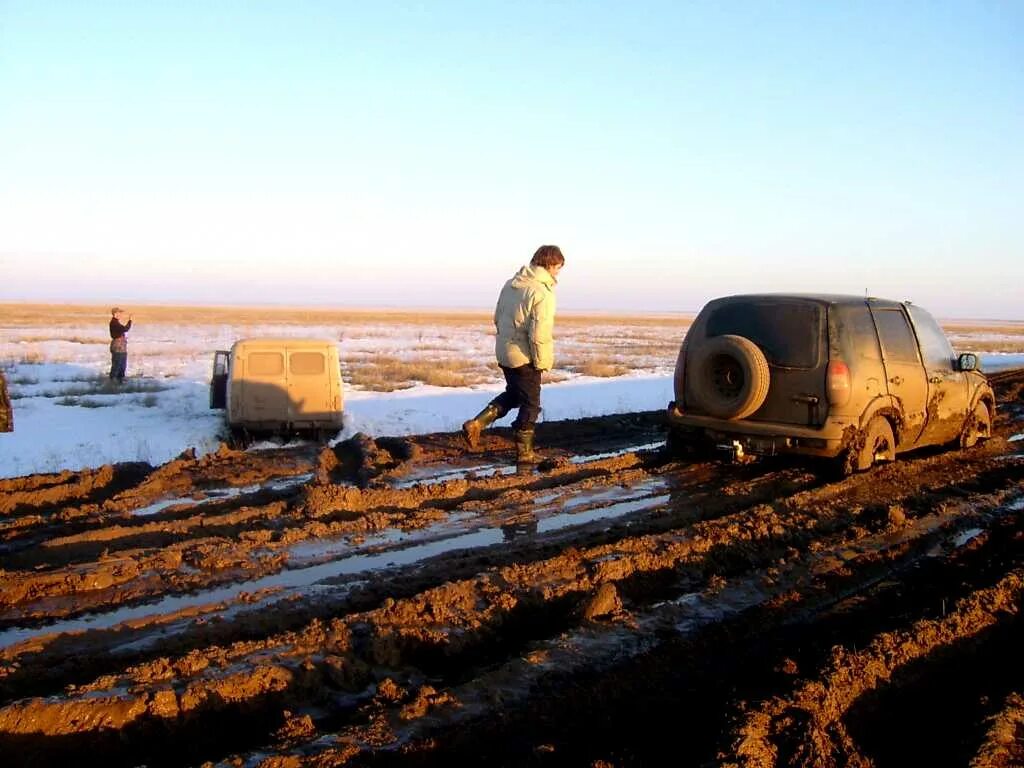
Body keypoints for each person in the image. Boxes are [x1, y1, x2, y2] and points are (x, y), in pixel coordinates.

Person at [462, 245, 565, 464]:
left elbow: (497, 318)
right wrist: (542, 361)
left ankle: (477, 424)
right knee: (532, 404)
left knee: (515, 394)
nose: (558, 274)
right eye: (558, 268)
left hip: (504, 352)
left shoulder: (511, 285)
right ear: (550, 265)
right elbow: (539, 334)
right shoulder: (542, 292)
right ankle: (525, 454)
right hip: (524, 356)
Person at [109, 307, 133, 383]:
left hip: (121, 347)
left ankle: (120, 382)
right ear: (115, 314)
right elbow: (125, 329)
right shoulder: (114, 323)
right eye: (120, 313)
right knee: (117, 366)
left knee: (122, 366)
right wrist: (130, 321)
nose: (121, 314)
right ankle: (112, 383)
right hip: (118, 347)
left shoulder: (116, 322)